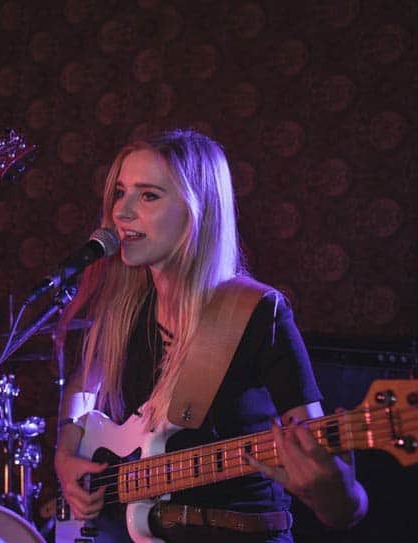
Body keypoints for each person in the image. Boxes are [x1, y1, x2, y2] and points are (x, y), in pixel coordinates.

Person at [53, 129, 367, 542]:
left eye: (148, 196)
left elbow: (343, 503)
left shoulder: (257, 312)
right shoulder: (125, 309)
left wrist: (332, 490)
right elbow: (83, 384)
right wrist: (66, 452)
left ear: (197, 210)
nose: (120, 213)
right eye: (120, 193)